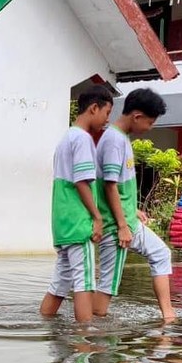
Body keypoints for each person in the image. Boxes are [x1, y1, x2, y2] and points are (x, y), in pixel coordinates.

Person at [93, 87, 175, 322]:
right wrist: (122, 225)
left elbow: (118, 186)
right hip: (116, 226)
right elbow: (109, 186)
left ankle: (168, 315)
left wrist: (133, 209)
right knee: (107, 284)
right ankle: (91, 326)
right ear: (137, 116)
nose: (150, 128)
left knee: (160, 253)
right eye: (149, 122)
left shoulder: (121, 139)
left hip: (126, 218)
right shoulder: (114, 141)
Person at [40, 85, 113, 322]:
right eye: (106, 113)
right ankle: (85, 339)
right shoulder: (82, 139)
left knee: (60, 282)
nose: (106, 120)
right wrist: (97, 217)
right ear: (94, 108)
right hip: (79, 222)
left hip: (62, 223)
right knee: (85, 281)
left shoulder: (66, 138)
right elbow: (82, 182)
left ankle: (46, 322)